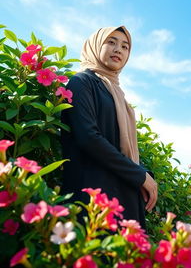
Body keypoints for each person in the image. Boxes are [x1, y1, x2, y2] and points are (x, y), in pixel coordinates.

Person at [61, 26, 157, 228]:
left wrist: (143, 174)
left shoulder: (117, 95)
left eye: (125, 46)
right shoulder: (82, 82)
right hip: (94, 196)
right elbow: (88, 137)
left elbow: (117, 144)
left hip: (121, 195)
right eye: (111, 42)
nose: (118, 50)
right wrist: (139, 175)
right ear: (96, 46)